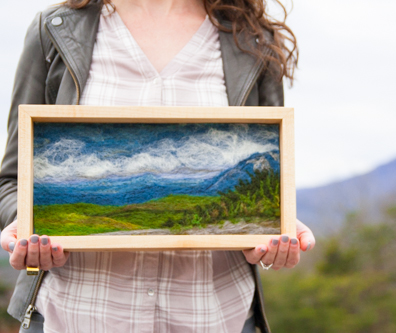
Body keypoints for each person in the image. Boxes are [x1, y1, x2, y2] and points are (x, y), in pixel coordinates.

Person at [0, 0, 316, 332]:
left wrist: (269, 226)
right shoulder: (55, 30)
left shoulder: (252, 39)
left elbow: (268, 171)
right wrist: (25, 225)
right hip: (77, 317)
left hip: (216, 318)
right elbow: (11, 180)